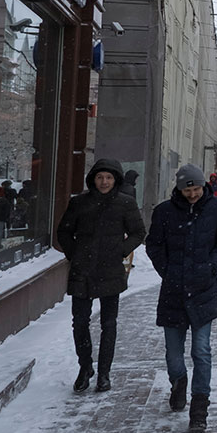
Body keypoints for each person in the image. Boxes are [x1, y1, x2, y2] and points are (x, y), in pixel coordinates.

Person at [146, 164, 217, 433]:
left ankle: (199, 409)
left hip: (203, 290)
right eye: (188, 189)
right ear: (180, 188)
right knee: (174, 354)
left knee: (202, 351)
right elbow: (154, 245)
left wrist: (211, 267)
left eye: (196, 188)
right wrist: (168, 270)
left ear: (203, 186)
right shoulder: (164, 212)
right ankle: (179, 382)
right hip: (173, 292)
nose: (193, 194)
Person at [57, 159, 146, 393]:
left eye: (108, 177)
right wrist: (74, 253)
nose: (104, 182)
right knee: (80, 322)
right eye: (99, 177)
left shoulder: (125, 203)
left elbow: (138, 232)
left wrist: (122, 250)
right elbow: (64, 231)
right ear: (93, 179)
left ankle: (104, 373)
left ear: (115, 179)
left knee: (109, 324)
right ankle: (85, 366)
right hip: (82, 271)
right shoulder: (79, 203)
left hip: (110, 271)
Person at [120, 170, 140, 269]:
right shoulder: (131, 189)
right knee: (129, 239)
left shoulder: (121, 186)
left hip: (120, 217)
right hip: (127, 218)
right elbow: (133, 205)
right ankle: (126, 259)